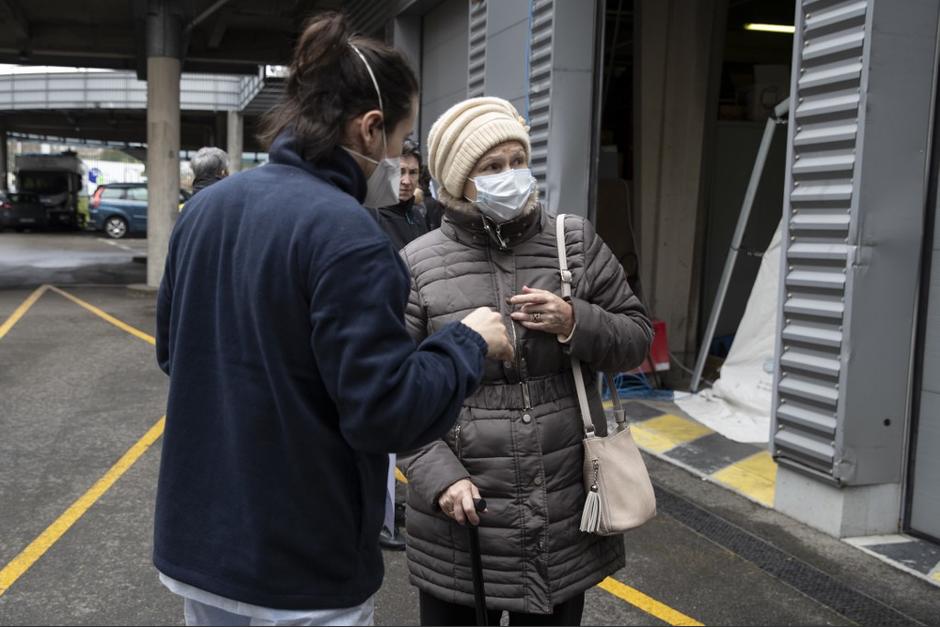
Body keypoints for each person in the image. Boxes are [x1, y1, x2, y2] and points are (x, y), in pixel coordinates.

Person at [154, 15, 512, 627]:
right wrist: (466, 343)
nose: (401, 162)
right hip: (303, 564)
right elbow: (385, 411)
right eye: (401, 141)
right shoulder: (349, 235)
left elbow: (173, 353)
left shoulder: (206, 210)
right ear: (369, 129)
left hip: (200, 547)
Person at [398, 97, 653, 626]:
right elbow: (395, 393)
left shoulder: (572, 243)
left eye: (517, 160)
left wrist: (574, 321)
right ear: (458, 179)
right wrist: (440, 477)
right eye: (491, 167)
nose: (509, 175)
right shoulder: (417, 265)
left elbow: (636, 339)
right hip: (463, 519)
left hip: (559, 515)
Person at [372, 139, 430, 250]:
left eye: (413, 172)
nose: (407, 181)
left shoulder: (417, 216)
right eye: (400, 171)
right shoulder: (372, 216)